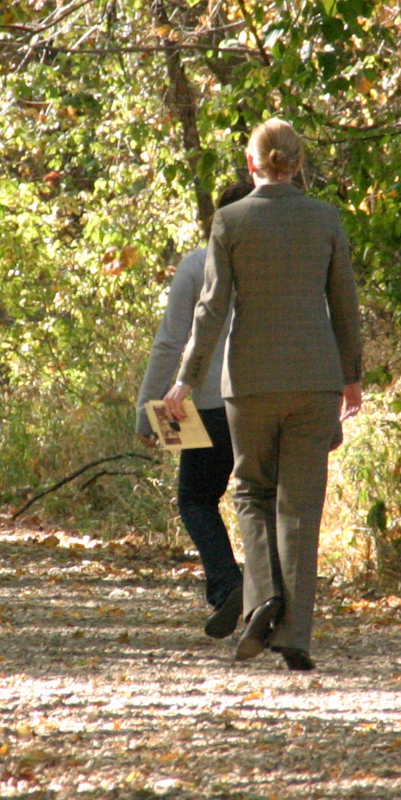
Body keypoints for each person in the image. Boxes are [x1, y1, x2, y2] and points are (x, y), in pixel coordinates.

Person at [163, 120, 363, 672]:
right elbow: (344, 303)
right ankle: (294, 633)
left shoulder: (230, 221)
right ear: (298, 163)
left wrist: (185, 378)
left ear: (251, 164)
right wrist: (351, 375)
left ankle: (263, 597)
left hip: (249, 381)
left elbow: (211, 308)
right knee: (300, 504)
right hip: (316, 379)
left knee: (252, 491)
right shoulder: (325, 218)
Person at [137, 180, 255, 638]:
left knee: (195, 499)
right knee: (263, 501)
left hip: (206, 403)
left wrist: (147, 409)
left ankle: (228, 584)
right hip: (264, 400)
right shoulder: (278, 269)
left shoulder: (195, 265)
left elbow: (170, 342)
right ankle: (269, 595)